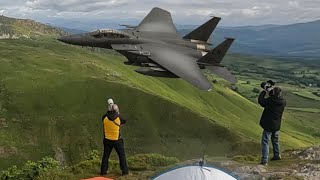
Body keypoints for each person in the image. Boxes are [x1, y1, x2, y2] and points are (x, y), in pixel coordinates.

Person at [258, 86, 286, 165]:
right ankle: (277, 155)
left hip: (268, 125)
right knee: (275, 140)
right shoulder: (283, 101)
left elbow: (261, 101)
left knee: (265, 141)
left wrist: (264, 91)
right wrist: (272, 93)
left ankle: (264, 160)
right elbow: (275, 98)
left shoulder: (270, 101)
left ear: (273, 93)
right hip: (277, 125)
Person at [100, 99, 129, 175]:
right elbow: (124, 121)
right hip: (117, 140)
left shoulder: (104, 117)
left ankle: (103, 171)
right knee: (121, 155)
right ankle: (125, 171)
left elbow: (104, 118)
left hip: (107, 140)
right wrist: (118, 112)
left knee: (106, 156)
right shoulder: (118, 117)